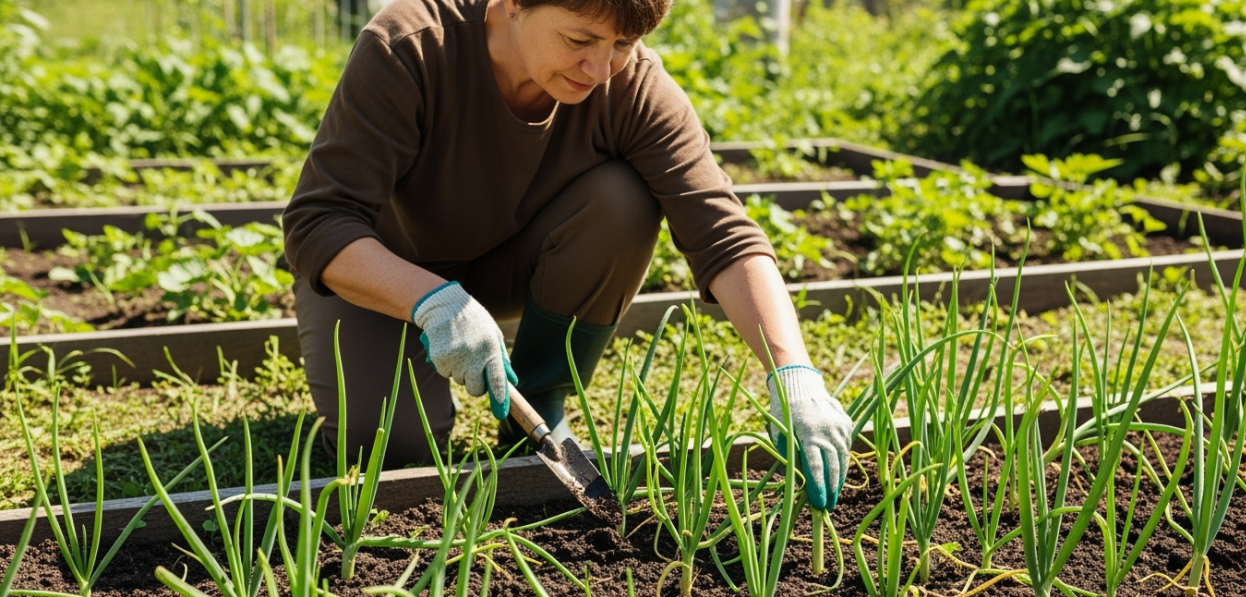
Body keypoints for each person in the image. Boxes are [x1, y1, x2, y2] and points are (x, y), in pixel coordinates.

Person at [282, 0, 854, 509]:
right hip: (380, 274)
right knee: (395, 447)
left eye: (623, 45)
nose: (601, 70)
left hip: (505, 266)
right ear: (510, 5)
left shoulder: (631, 88)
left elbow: (723, 232)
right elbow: (318, 222)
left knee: (624, 200)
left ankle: (542, 394)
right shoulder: (410, 46)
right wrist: (430, 301)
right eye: (580, 40)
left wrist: (793, 372)